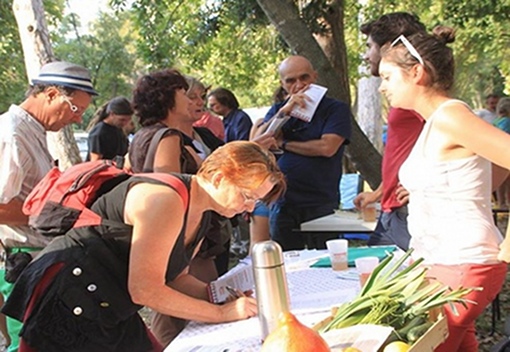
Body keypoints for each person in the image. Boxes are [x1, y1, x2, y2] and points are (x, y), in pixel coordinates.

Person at [2, 141, 285, 352]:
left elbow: (176, 278)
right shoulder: (165, 199)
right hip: (69, 299)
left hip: (108, 305)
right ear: (220, 176)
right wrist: (222, 313)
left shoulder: (201, 211)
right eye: (246, 195)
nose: (248, 207)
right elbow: (146, 290)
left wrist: (220, 295)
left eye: (255, 202)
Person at [378, 26, 510, 351]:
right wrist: (431, 190)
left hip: (463, 263)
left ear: (416, 73)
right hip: (442, 263)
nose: (382, 88)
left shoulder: (452, 117)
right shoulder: (437, 121)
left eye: (387, 78)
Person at [0, 61, 97, 352]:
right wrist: (55, 215)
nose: (77, 120)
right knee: (26, 343)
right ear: (52, 94)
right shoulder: (12, 134)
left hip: (39, 257)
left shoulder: (32, 130)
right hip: (20, 261)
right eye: (75, 109)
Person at [256, 55, 352, 250]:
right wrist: (283, 113)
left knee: (325, 264)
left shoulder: (335, 109)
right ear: (282, 84)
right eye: (291, 80)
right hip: (283, 202)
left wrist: (284, 143)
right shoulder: (280, 110)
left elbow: (327, 148)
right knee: (287, 266)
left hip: (321, 201)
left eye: (304, 77)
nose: (299, 85)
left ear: (314, 77)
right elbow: (256, 143)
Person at [353, 12, 427, 251]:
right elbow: (405, 155)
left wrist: (428, 186)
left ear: (387, 49)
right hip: (392, 210)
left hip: (410, 212)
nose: (366, 55)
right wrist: (376, 194)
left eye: (369, 47)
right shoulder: (403, 97)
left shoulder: (420, 94)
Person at [86, 96, 133, 161]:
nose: (125, 123)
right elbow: (95, 161)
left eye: (128, 120)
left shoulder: (119, 131)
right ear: (111, 114)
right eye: (122, 120)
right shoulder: (99, 133)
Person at [492, 97, 510, 208]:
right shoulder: (507, 122)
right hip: (505, 152)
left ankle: (501, 202)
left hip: (496, 152)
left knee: (501, 182)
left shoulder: (496, 121)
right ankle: (505, 202)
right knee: (507, 181)